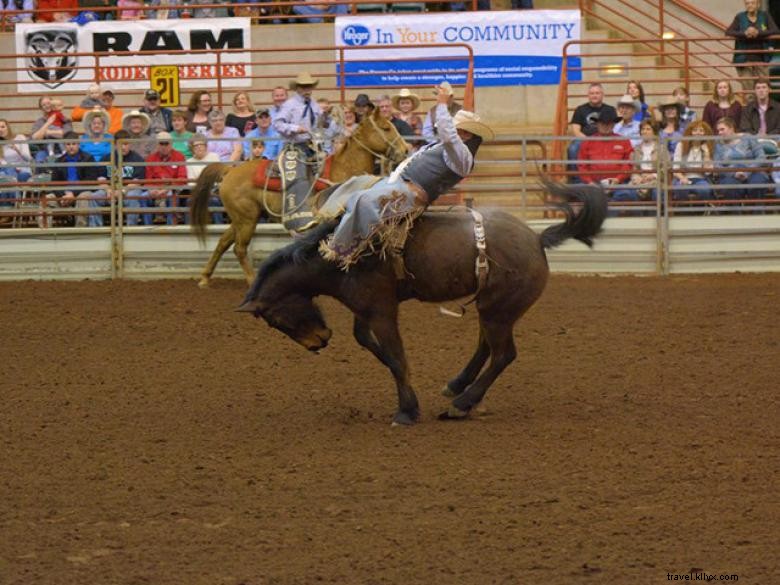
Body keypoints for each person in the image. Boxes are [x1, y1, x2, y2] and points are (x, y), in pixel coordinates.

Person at [319, 85, 494, 269]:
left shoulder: (462, 157)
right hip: (399, 185)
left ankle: (348, 253)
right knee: (356, 191)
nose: (454, 132)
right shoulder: (443, 148)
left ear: (465, 134)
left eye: (458, 129)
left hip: (412, 194)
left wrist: (442, 104)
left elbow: (448, 135)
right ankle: (337, 237)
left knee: (364, 200)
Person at [273, 71, 340, 231]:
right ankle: (298, 215)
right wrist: (296, 128)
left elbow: (320, 126)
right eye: (303, 86)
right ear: (297, 88)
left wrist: (330, 120)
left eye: (309, 86)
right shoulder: (289, 105)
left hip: (312, 146)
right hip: (294, 147)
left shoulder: (314, 105)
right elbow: (277, 123)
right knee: (298, 176)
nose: (307, 89)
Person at [43, 131, 107, 228]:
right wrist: (62, 196)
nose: (71, 146)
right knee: (46, 200)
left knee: (84, 198)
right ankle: (44, 233)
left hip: (82, 192)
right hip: (64, 194)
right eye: (68, 144)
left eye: (74, 144)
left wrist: (73, 194)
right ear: (64, 145)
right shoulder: (59, 161)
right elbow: (54, 184)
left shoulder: (88, 158)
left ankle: (80, 231)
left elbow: (90, 182)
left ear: (78, 144)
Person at [576, 109, 635, 209]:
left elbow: (628, 163)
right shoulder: (587, 142)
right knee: (585, 196)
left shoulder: (624, 141)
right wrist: (590, 182)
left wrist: (618, 179)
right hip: (594, 184)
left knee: (626, 194)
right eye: (603, 123)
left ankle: (611, 221)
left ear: (613, 124)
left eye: (609, 123)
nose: (606, 126)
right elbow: (582, 165)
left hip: (618, 184)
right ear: (597, 124)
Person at [725, 0, 779, 95]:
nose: (750, 5)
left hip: (762, 59)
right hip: (743, 61)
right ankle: (751, 109)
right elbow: (729, 32)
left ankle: (763, 109)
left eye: (752, 3)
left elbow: (775, 30)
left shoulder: (764, 15)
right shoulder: (740, 17)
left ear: (758, 4)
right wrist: (744, 33)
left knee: (764, 90)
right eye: (747, 3)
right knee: (749, 92)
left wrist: (758, 33)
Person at [713, 116, 770, 202]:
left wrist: (747, 171)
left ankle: (757, 212)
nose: (719, 133)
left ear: (731, 128)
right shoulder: (718, 144)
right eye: (718, 130)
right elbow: (717, 165)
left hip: (753, 171)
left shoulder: (747, 138)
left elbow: (761, 156)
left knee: (758, 183)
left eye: (722, 129)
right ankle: (735, 213)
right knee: (730, 187)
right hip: (730, 175)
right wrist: (734, 173)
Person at [567, 82, 618, 168]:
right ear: (588, 95)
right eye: (592, 93)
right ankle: (575, 179)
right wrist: (588, 141)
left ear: (602, 95)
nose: (594, 96)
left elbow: (615, 128)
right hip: (585, 139)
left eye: (597, 93)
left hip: (605, 139)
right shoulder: (580, 109)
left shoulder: (610, 109)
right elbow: (576, 131)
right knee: (573, 148)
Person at [144, 131, 188, 224]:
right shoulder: (150, 158)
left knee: (172, 197)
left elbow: (182, 178)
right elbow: (148, 179)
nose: (164, 146)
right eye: (161, 143)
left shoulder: (179, 156)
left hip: (172, 189)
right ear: (157, 144)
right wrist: (152, 190)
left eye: (166, 143)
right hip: (155, 189)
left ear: (171, 144)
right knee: (141, 197)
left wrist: (167, 189)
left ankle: (171, 227)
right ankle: (147, 228)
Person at [625, 120, 668, 209]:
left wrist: (653, 175)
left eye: (648, 129)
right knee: (628, 192)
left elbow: (666, 168)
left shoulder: (662, 149)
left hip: (657, 180)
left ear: (654, 132)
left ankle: (655, 219)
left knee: (657, 192)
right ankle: (639, 218)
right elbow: (634, 169)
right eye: (643, 129)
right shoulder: (636, 149)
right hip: (640, 180)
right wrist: (637, 177)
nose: (645, 131)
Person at [113, 129, 150, 226]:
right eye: (120, 144)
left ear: (130, 144)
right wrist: (109, 190)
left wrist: (123, 191)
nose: (123, 147)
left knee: (132, 197)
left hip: (130, 189)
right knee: (95, 197)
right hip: (111, 189)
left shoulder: (137, 159)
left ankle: (131, 229)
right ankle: (99, 231)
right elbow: (102, 179)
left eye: (126, 144)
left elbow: (137, 181)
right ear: (114, 145)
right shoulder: (108, 158)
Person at [672, 120, 715, 203]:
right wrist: (682, 178)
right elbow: (675, 169)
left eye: (701, 131)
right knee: (680, 189)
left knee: (704, 190)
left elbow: (708, 172)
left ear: (706, 133)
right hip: (682, 177)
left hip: (701, 179)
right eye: (695, 130)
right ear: (690, 132)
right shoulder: (681, 145)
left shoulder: (709, 147)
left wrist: (706, 153)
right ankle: (684, 212)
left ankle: (701, 211)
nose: (698, 133)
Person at [0, 119, 32, 222]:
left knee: (5, 176)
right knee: (3, 175)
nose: (0, 129)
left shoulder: (20, 138)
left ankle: (7, 209)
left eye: (2, 126)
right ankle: (12, 204)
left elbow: (29, 159)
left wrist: (17, 150)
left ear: (8, 127)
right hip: (8, 173)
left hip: (23, 172)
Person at [185, 133, 222, 223]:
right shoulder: (189, 162)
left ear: (206, 146)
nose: (198, 147)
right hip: (198, 192)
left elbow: (218, 177)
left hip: (213, 191)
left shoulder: (214, 157)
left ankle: (219, 226)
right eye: (195, 145)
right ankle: (189, 229)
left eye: (201, 144)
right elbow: (191, 183)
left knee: (214, 201)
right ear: (192, 149)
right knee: (189, 201)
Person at [30, 96, 73, 162]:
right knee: (39, 158)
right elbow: (35, 138)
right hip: (45, 151)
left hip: (63, 149)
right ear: (41, 108)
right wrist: (48, 123)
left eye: (48, 103)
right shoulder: (39, 122)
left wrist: (47, 132)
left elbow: (66, 134)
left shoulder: (63, 118)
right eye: (44, 105)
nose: (47, 106)